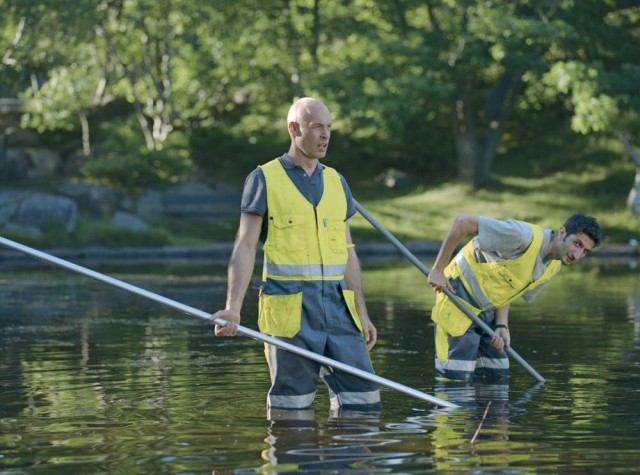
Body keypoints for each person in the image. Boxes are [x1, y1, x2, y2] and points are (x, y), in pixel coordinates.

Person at [211, 97, 381, 415]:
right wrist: (233, 308)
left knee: (364, 402)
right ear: (294, 128)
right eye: (317, 126)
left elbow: (348, 252)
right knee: (292, 408)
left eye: (329, 127)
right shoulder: (263, 179)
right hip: (289, 310)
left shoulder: (337, 181)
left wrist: (362, 311)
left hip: (339, 310)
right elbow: (244, 245)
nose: (325, 135)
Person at [427, 213, 602, 383]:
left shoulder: (553, 266)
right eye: (577, 244)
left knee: (497, 377)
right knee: (456, 382)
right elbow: (462, 222)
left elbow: (509, 285)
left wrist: (502, 325)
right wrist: (438, 269)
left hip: (489, 312)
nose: (577, 255)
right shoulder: (521, 236)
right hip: (458, 298)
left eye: (585, 251)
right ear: (562, 232)